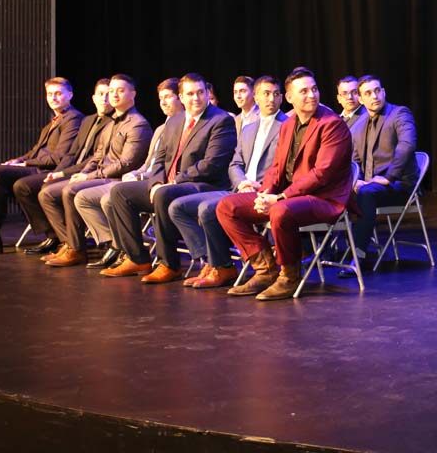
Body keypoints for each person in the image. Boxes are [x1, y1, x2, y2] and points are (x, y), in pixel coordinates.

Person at [217, 66, 353, 301]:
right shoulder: (288, 124)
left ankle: (289, 277)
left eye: (314, 89)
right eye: (304, 91)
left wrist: (280, 198)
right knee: (226, 207)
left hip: (324, 199)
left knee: (280, 211)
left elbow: (322, 173)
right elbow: (278, 167)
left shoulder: (332, 124)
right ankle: (265, 268)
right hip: (288, 196)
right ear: (290, 97)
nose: (312, 95)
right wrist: (266, 193)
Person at [101, 72, 236, 282]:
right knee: (119, 192)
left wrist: (171, 182)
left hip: (204, 185)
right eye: (190, 94)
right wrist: (156, 182)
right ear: (181, 97)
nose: (196, 98)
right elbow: (160, 159)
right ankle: (138, 258)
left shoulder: (220, 120)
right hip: (169, 184)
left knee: (164, 193)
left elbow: (212, 165)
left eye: (201, 92)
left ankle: (169, 264)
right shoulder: (174, 121)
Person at [169, 75, 288, 288]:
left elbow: (284, 167)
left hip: (264, 191)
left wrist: (260, 186)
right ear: (257, 97)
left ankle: (224, 265)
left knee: (207, 209)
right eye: (266, 94)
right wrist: (242, 182)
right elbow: (235, 163)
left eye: (276, 94)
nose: (271, 99)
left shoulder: (287, 126)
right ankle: (211, 261)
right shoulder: (248, 128)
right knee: (178, 207)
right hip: (239, 188)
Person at [0, 77, 83, 256]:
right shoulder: (54, 121)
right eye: (49, 94)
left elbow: (58, 157)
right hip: (33, 165)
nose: (53, 98)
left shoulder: (73, 119)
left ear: (70, 95)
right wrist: (16, 160)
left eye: (58, 94)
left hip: (44, 170)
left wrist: (25, 163)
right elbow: (35, 151)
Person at [37, 74, 153, 267]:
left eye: (120, 90)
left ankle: (84, 248)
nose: (114, 95)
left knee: (71, 191)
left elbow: (125, 164)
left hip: (116, 179)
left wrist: (89, 175)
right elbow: (98, 156)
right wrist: (83, 173)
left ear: (133, 94)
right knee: (47, 193)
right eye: (112, 91)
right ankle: (71, 243)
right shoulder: (111, 122)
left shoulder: (138, 124)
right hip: (99, 175)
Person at [71, 77, 181, 269]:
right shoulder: (161, 128)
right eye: (160, 98)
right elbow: (149, 163)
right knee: (82, 196)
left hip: (158, 182)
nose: (163, 102)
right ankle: (120, 247)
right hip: (142, 179)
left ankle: (129, 252)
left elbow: (130, 163)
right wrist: (138, 174)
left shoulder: (140, 123)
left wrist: (140, 176)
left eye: (168, 97)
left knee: (110, 197)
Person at [12, 79, 112, 256]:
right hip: (74, 169)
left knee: (46, 190)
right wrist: (59, 172)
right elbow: (71, 155)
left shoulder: (111, 123)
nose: (104, 99)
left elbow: (95, 159)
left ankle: (71, 244)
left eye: (108, 94)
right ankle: (66, 241)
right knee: (36, 187)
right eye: (100, 94)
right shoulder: (88, 120)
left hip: (90, 173)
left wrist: (66, 173)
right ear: (93, 98)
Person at [348, 75, 420, 264]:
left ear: (384, 92)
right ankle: (330, 250)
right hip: (371, 186)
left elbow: (407, 145)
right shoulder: (359, 125)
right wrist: (356, 181)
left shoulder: (399, 114)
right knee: (338, 193)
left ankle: (358, 255)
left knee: (366, 193)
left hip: (399, 185)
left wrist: (389, 177)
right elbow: (354, 160)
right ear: (361, 99)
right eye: (368, 93)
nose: (375, 96)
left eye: (377, 91)